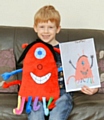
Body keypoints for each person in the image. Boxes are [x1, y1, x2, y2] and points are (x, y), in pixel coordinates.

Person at [28, 5, 98, 120]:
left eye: (50, 27)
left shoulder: (67, 51)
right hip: (38, 92)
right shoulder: (31, 50)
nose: (46, 31)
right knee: (35, 111)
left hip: (61, 92)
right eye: (42, 27)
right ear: (35, 28)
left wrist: (92, 87)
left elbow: (81, 72)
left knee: (61, 105)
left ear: (58, 29)